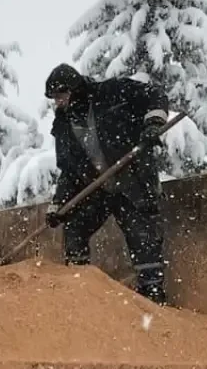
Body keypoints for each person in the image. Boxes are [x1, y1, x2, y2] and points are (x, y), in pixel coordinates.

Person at [44, 63, 171, 304]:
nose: (58, 102)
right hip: (98, 189)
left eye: (61, 96)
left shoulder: (113, 92)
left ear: (75, 89)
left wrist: (153, 123)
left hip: (133, 180)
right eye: (54, 99)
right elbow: (69, 172)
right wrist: (58, 205)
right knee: (75, 226)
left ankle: (152, 294)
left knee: (142, 236)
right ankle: (79, 285)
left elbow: (154, 94)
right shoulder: (63, 127)